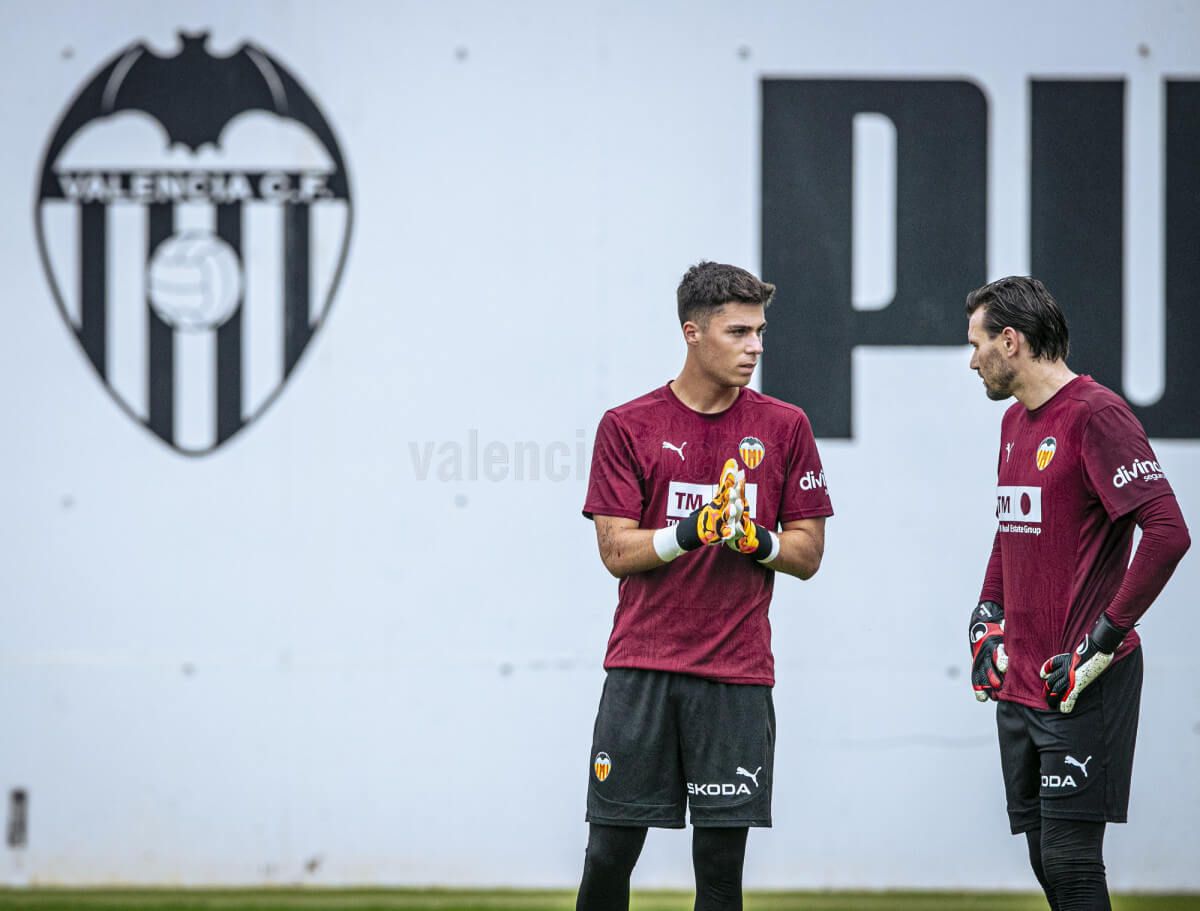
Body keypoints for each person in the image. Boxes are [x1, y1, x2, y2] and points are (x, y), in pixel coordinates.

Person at [575, 261, 833, 911]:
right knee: (608, 855)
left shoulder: (785, 426)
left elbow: (807, 553)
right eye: (739, 332)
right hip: (641, 671)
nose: (756, 348)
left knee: (719, 871)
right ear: (693, 333)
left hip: (736, 678)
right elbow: (615, 549)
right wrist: (691, 531)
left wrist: (757, 539)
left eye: (760, 331)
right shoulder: (627, 424)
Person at [964, 276, 1190, 910]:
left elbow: (1168, 532)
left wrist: (1104, 640)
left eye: (977, 344)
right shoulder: (1013, 422)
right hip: (1023, 682)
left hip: (1082, 680)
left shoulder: (1097, 415)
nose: (972, 359)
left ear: (1011, 342)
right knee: (1046, 859)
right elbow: (1010, 528)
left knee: (1070, 862)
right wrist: (986, 619)